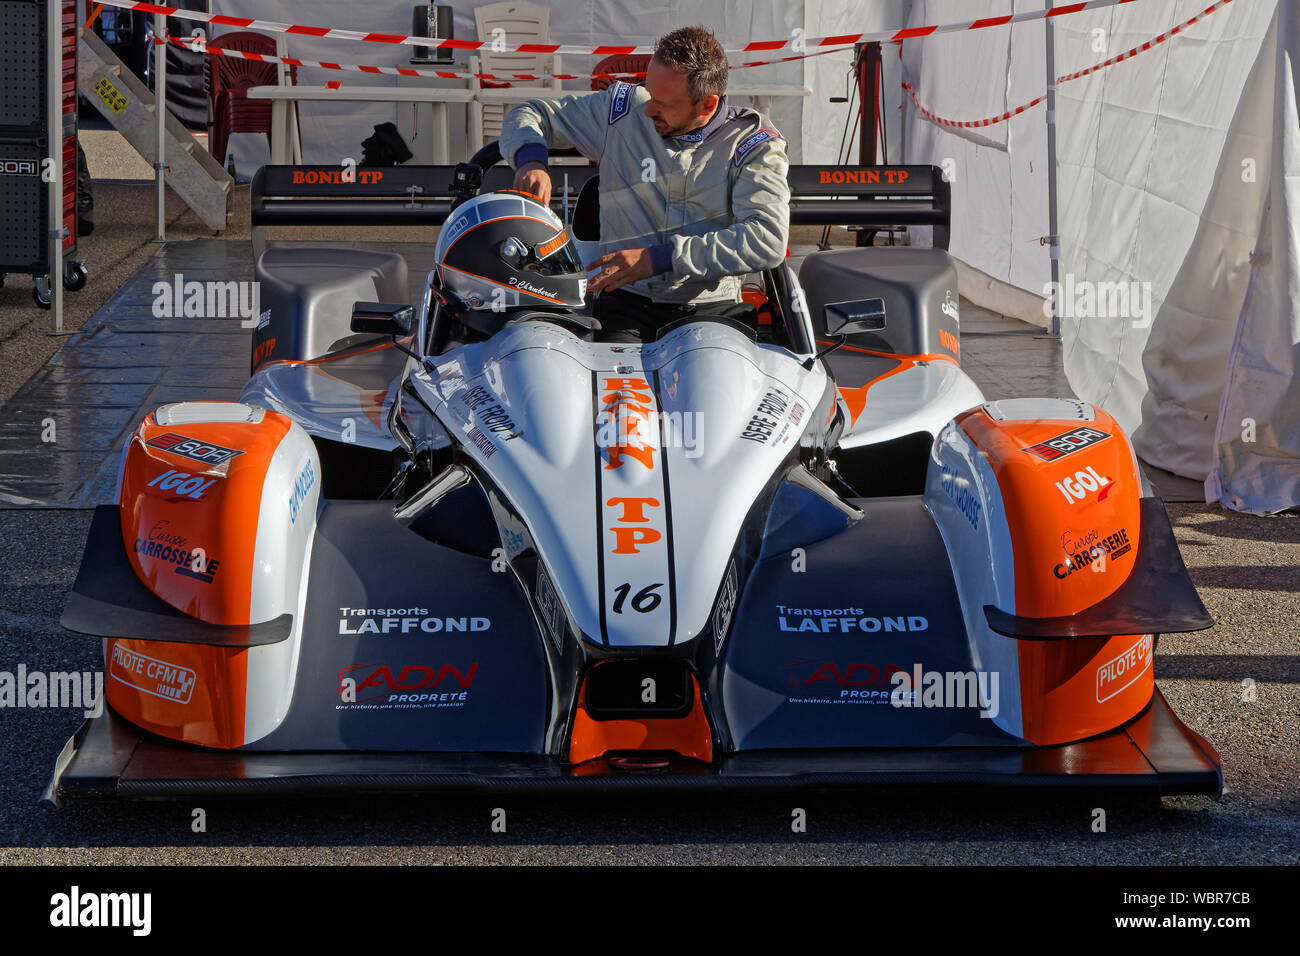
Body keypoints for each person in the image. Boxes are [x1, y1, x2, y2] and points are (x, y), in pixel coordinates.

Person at [500, 25, 791, 341]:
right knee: (617, 392)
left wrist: (659, 259)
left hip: (711, 309)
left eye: (664, 103)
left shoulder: (752, 143)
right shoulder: (621, 111)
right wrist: (531, 161)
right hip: (624, 304)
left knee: (708, 391)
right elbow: (530, 112)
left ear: (707, 105)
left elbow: (767, 239)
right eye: (650, 92)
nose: (649, 108)